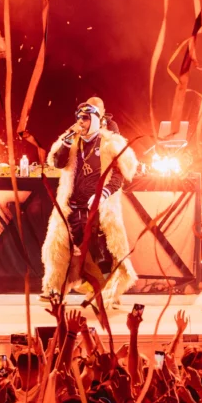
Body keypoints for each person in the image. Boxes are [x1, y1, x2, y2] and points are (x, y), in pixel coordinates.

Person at [40, 96, 138, 309]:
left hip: (99, 208)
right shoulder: (71, 140)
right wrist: (65, 143)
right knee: (63, 249)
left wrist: (103, 193)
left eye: (84, 118)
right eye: (78, 118)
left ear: (96, 118)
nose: (80, 122)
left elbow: (121, 173)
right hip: (73, 206)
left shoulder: (111, 142)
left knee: (104, 251)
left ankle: (108, 294)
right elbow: (57, 162)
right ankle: (55, 289)